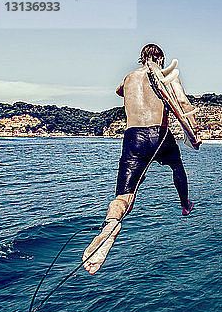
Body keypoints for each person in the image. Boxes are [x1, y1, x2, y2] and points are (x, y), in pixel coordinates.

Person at [82, 43, 200, 275]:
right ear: (161, 59)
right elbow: (183, 102)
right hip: (160, 134)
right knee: (176, 165)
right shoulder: (164, 74)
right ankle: (185, 205)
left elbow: (119, 91)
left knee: (124, 196)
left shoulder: (128, 78)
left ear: (141, 58)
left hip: (133, 137)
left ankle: (110, 228)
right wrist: (194, 133)